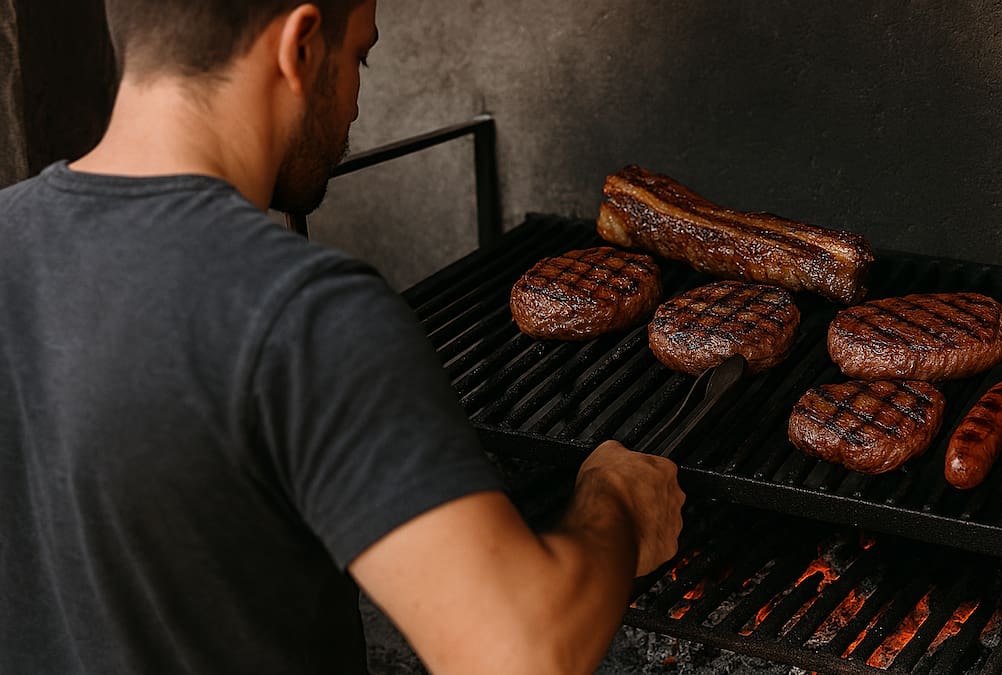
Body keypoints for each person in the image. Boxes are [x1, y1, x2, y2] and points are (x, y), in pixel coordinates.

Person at [0, 1, 685, 673]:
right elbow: (523, 652)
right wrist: (618, 505)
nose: (357, 99)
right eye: (360, 53)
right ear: (299, 46)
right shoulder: (300, 313)